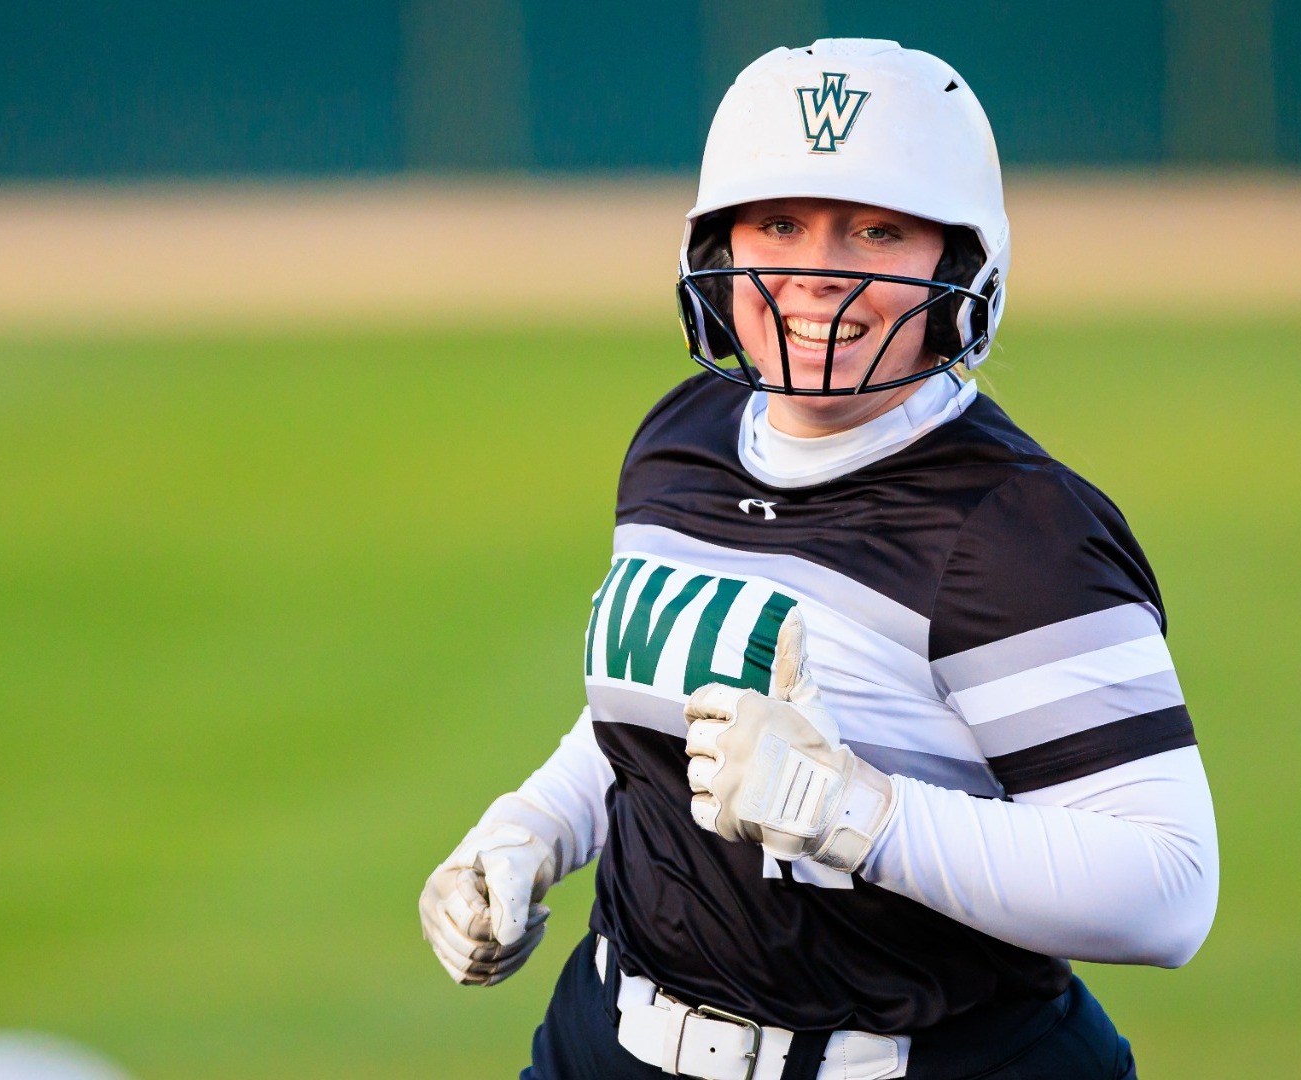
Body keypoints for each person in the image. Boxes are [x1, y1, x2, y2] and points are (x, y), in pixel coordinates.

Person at [419, 38, 1219, 1080]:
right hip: (604, 1042)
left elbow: (1165, 888)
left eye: (876, 229)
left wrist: (856, 813)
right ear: (719, 245)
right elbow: (672, 707)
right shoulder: (684, 437)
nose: (818, 271)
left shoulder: (1015, 528)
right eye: (781, 222)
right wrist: (532, 827)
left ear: (960, 262)